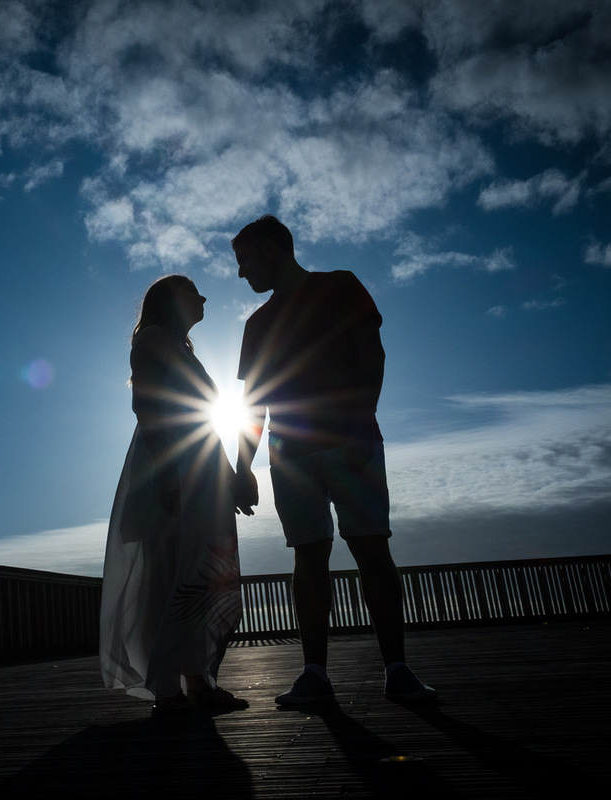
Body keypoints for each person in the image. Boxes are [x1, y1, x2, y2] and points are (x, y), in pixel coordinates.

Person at [230, 215, 436, 705]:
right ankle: (315, 676)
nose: (241, 274)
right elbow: (255, 402)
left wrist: (362, 422)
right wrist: (242, 466)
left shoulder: (341, 286)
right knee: (309, 557)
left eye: (244, 260)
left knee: (371, 550)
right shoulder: (256, 324)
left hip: (351, 442)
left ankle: (397, 669)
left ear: (271, 249)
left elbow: (373, 356)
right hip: (291, 457)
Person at [100, 275, 248, 712]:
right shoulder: (152, 339)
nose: (202, 297)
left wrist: (226, 475)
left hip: (197, 462)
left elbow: (204, 418)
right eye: (190, 290)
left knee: (196, 568)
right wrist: (167, 474)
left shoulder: (179, 347)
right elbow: (146, 404)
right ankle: (168, 689)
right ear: (167, 300)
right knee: (167, 571)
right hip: (169, 462)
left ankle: (198, 681)